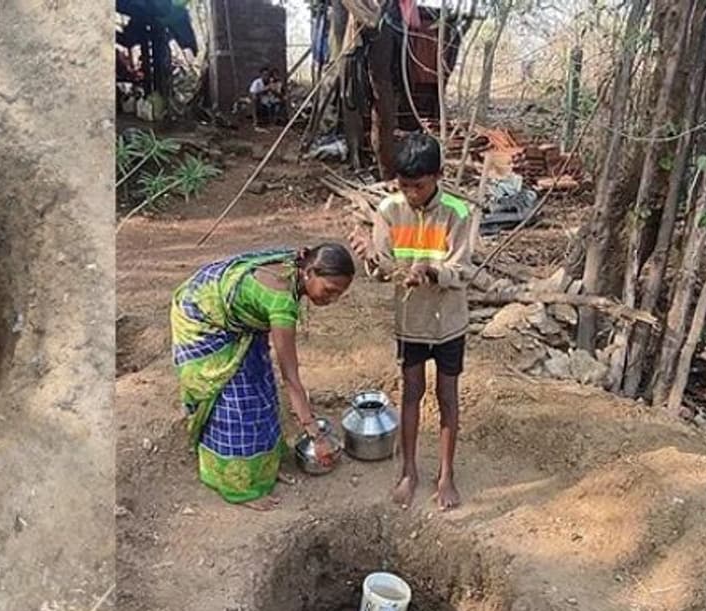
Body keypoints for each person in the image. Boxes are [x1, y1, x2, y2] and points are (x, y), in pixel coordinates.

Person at [171, 244, 355, 510]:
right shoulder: (281, 302)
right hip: (202, 315)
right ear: (309, 273)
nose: (332, 300)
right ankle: (238, 487)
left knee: (261, 387)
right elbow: (290, 376)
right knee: (237, 404)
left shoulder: (298, 265)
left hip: (238, 317)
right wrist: (314, 432)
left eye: (339, 294)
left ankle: (262, 468)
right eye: (329, 291)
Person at [350, 133, 477, 511]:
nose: (411, 194)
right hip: (411, 322)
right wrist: (372, 257)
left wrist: (432, 271)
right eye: (404, 186)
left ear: (438, 176)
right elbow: (384, 267)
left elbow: (462, 268)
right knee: (411, 391)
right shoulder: (389, 210)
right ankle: (409, 471)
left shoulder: (458, 212)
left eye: (419, 186)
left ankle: (446, 475)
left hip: (449, 322)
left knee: (447, 396)